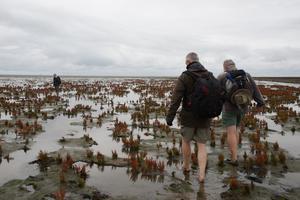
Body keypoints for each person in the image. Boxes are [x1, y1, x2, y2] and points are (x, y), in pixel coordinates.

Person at [166, 52, 215, 183]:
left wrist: (169, 117)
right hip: (205, 117)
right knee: (202, 145)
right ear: (198, 61)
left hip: (188, 117)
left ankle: (186, 167)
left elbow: (176, 99)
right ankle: (202, 175)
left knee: (186, 141)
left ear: (188, 62)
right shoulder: (209, 75)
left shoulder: (185, 76)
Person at [218, 59, 265, 166]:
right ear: (234, 65)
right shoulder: (246, 75)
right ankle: (235, 154)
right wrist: (260, 103)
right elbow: (256, 90)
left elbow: (215, 91)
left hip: (229, 108)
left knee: (231, 132)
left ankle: (234, 159)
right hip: (243, 108)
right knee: (237, 129)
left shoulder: (222, 76)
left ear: (225, 67)